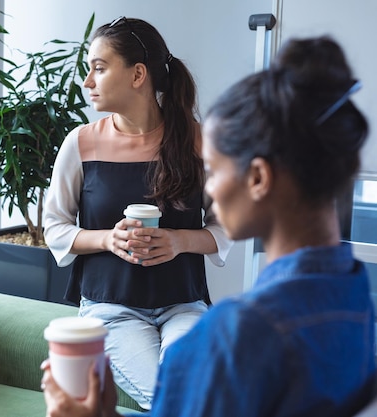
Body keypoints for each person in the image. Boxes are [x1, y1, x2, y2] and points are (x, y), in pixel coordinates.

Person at [42, 36, 376, 417]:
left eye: (214, 170)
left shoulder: (229, 340)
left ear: (258, 179)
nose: (209, 186)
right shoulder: (354, 295)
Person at [43, 16, 232, 410]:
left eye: (98, 67)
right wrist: (107, 239)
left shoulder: (198, 141)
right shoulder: (81, 143)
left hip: (185, 305)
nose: (87, 81)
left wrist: (180, 241)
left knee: (185, 390)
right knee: (175, 398)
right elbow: (54, 227)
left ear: (138, 74)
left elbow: (226, 225)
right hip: (111, 309)